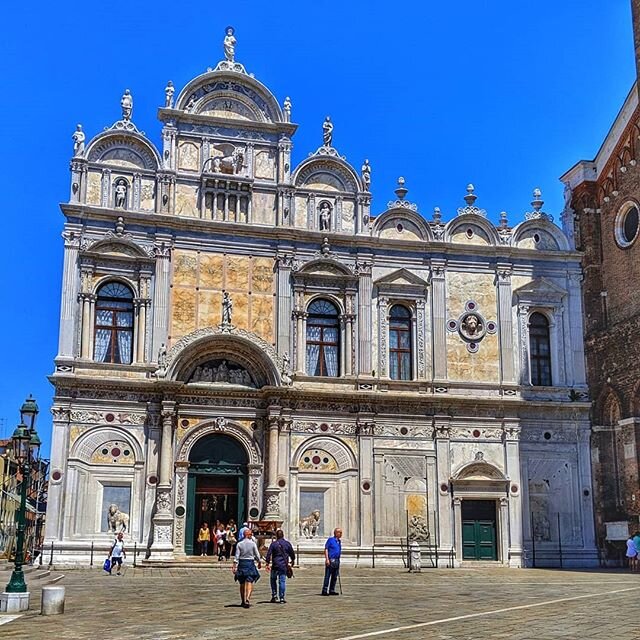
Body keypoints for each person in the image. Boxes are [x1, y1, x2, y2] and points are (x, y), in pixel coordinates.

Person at [265, 529, 296, 604]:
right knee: (282, 581)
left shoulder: (273, 544)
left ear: (276, 536)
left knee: (273, 580)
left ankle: (274, 595)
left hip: (275, 565)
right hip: (283, 565)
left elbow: (269, 554)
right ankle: (282, 597)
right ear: (283, 535)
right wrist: (292, 560)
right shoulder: (287, 544)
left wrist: (267, 563)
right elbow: (292, 553)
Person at [233, 528, 261, 608]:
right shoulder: (253, 544)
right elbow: (257, 555)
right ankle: (248, 598)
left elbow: (237, 556)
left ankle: (243, 600)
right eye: (251, 534)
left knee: (242, 583)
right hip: (250, 563)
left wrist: (234, 565)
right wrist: (259, 562)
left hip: (242, 563)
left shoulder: (239, 544)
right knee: (249, 581)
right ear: (248, 535)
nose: (251, 535)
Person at [321, 527, 342, 595]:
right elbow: (326, 549)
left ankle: (332, 590)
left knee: (334, 576)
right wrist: (327, 559)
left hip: (337, 560)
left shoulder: (339, 541)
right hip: (331, 560)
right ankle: (324, 590)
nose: (341, 534)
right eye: (340, 532)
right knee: (327, 576)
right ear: (336, 533)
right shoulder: (330, 540)